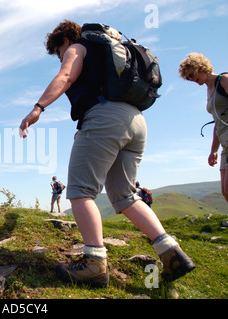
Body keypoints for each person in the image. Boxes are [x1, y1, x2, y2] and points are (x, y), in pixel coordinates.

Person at [19, 20, 195, 287]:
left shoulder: (77, 47)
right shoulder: (107, 50)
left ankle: (94, 264)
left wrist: (38, 108)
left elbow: (66, 76)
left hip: (105, 118)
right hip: (135, 121)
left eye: (57, 53)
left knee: (80, 191)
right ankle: (172, 253)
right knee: (124, 195)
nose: (60, 58)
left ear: (63, 41)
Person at [179, 53, 228, 202]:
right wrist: (213, 150)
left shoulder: (224, 80)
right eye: (188, 78)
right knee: (225, 192)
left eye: (192, 75)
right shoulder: (209, 90)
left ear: (202, 67)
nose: (192, 79)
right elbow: (217, 122)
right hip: (224, 144)